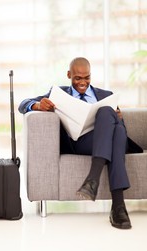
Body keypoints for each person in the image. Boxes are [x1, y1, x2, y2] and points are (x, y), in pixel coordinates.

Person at [18, 57, 142, 230]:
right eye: (78, 78)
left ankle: (93, 180)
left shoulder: (106, 96)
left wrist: (117, 119)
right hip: (80, 143)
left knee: (111, 118)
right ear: (69, 75)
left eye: (87, 78)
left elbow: (121, 130)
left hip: (107, 141)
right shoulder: (60, 94)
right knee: (115, 130)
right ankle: (118, 207)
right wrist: (37, 105)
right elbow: (22, 104)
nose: (83, 82)